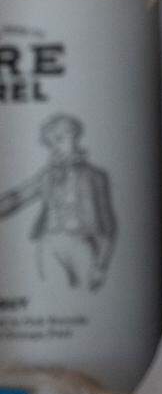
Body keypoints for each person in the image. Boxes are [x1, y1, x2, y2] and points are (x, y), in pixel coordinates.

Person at [0, 113, 116, 291]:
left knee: (85, 299)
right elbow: (18, 197)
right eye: (52, 141)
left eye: (60, 139)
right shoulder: (47, 175)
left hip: (83, 244)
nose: (56, 146)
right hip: (49, 244)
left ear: (74, 137)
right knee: (50, 292)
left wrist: (101, 265)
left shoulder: (96, 176)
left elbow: (108, 225)